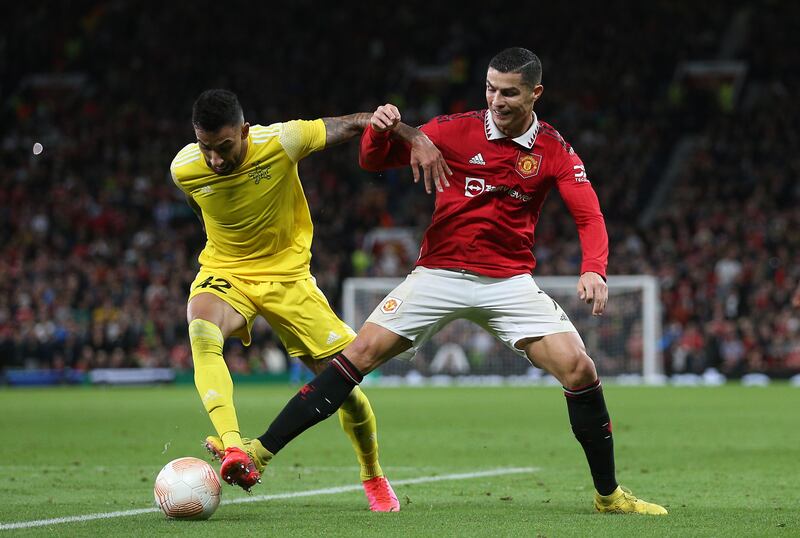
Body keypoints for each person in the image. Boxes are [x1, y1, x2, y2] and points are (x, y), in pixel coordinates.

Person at [238, 48, 667, 515]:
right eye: (490, 89)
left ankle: (608, 496)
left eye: (509, 92)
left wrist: (594, 267)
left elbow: (589, 213)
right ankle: (257, 452)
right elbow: (372, 161)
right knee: (355, 357)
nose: (496, 100)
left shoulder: (554, 150)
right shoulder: (451, 130)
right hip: (438, 274)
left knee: (580, 369)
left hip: (509, 283)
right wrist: (382, 130)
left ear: (535, 93)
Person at [170, 89, 444, 510]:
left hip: (289, 279)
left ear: (244, 131)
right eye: (206, 148)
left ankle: (372, 475)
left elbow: (354, 123)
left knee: (347, 390)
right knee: (202, 332)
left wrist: (404, 130)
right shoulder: (185, 169)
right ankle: (234, 447)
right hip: (225, 273)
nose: (216, 161)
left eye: (225, 147)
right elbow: (199, 206)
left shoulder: (282, 140)